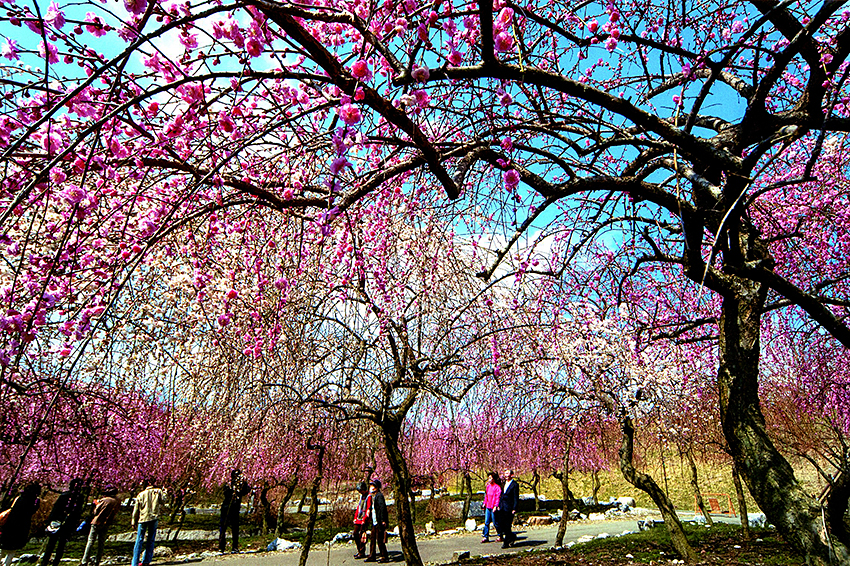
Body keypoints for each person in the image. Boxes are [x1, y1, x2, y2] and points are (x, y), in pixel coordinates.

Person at [40, 479, 86, 566]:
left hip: (60, 522)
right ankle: (54, 562)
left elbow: (55, 510)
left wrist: (49, 521)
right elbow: (77, 512)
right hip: (67, 523)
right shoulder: (78, 497)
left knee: (52, 544)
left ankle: (45, 562)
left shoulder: (66, 496)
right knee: (60, 544)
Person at [0, 483, 41, 566]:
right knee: (13, 549)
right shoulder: (34, 501)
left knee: (3, 546)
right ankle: (7, 564)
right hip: (22, 527)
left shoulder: (19, 498)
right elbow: (32, 511)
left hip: (10, 525)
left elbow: (12, 509)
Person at [80, 487, 120, 566]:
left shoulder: (105, 500)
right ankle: (97, 560)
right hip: (107, 523)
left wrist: (96, 504)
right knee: (101, 543)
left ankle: (84, 561)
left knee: (90, 541)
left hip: (97, 522)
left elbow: (96, 511)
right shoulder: (118, 501)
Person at [131, 479, 166, 566]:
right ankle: (146, 561)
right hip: (154, 517)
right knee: (151, 539)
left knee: (139, 539)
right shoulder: (158, 491)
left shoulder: (141, 494)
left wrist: (133, 520)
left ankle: (134, 562)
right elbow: (164, 501)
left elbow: (136, 509)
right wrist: (165, 491)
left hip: (143, 518)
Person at [218, 470, 250, 553]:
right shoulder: (228, 484)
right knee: (223, 527)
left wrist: (243, 484)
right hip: (226, 508)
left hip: (235, 509)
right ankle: (221, 547)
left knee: (235, 528)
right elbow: (226, 493)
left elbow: (246, 490)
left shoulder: (241, 485)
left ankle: (234, 547)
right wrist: (233, 491)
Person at [365, 479, 388, 563]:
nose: (371, 488)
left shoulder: (379, 496)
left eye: (373, 486)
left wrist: (383, 520)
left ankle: (384, 556)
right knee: (372, 539)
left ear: (376, 487)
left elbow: (382, 508)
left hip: (379, 521)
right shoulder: (374, 496)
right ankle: (372, 556)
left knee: (380, 539)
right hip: (375, 521)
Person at [496, 469, 519, 548]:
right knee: (501, 524)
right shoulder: (503, 483)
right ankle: (512, 536)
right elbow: (501, 495)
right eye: (505, 473)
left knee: (507, 525)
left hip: (509, 507)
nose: (506, 475)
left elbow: (516, 497)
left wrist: (514, 508)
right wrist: (498, 505)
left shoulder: (514, 485)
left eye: (507, 473)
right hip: (502, 506)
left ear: (511, 475)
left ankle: (506, 542)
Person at [352, 482, 371, 559]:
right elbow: (359, 507)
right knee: (355, 533)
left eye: (360, 490)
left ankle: (362, 551)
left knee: (362, 535)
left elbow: (368, 508)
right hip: (359, 518)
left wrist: (365, 519)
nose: (360, 492)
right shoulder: (362, 497)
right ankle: (359, 550)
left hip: (364, 519)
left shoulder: (368, 496)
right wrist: (355, 517)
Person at [481, 471, 501, 543]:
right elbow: (486, 496)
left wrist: (496, 506)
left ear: (493, 479)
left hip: (493, 507)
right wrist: (484, 504)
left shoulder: (497, 488)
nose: (489, 479)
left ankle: (500, 535)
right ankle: (486, 536)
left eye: (490, 478)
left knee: (495, 522)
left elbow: (497, 497)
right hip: (488, 507)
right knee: (486, 522)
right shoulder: (488, 487)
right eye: (488, 478)